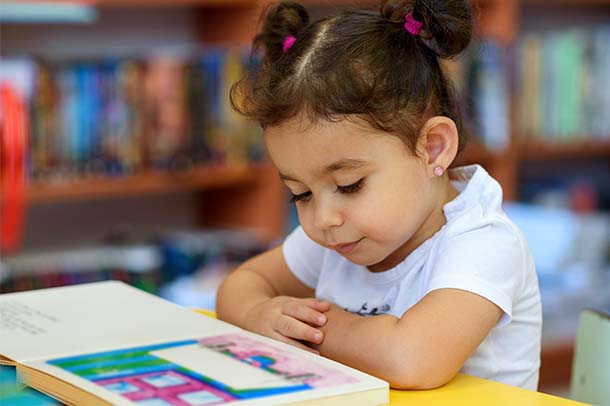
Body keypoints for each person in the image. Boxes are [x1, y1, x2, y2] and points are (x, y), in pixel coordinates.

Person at [216, 0, 541, 390]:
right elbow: (240, 284)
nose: (323, 219)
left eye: (350, 185)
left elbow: (412, 360)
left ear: (432, 148)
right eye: (299, 194)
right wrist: (259, 314)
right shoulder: (339, 235)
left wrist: (313, 327)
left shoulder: (483, 241)